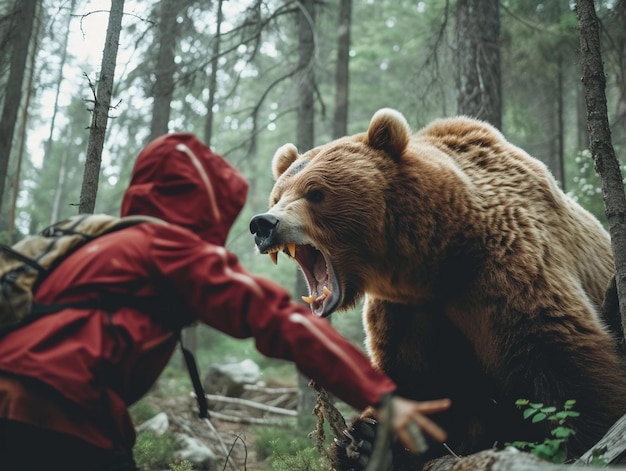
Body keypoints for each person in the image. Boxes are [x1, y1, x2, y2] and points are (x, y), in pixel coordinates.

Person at [0, 133, 450, 471]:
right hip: (64, 418)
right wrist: (380, 396)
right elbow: (279, 321)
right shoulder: (172, 249)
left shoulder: (90, 239)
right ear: (209, 207)